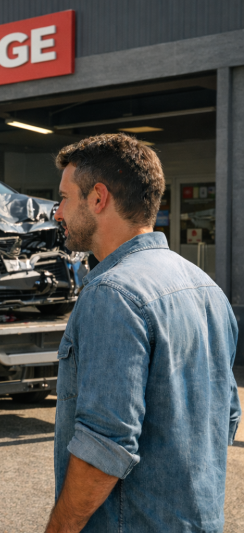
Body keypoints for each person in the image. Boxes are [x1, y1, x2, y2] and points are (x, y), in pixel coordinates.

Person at [45, 134, 240, 532]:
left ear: (98, 199)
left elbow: (104, 449)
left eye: (64, 198)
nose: (57, 213)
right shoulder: (207, 288)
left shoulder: (112, 295)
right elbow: (227, 417)